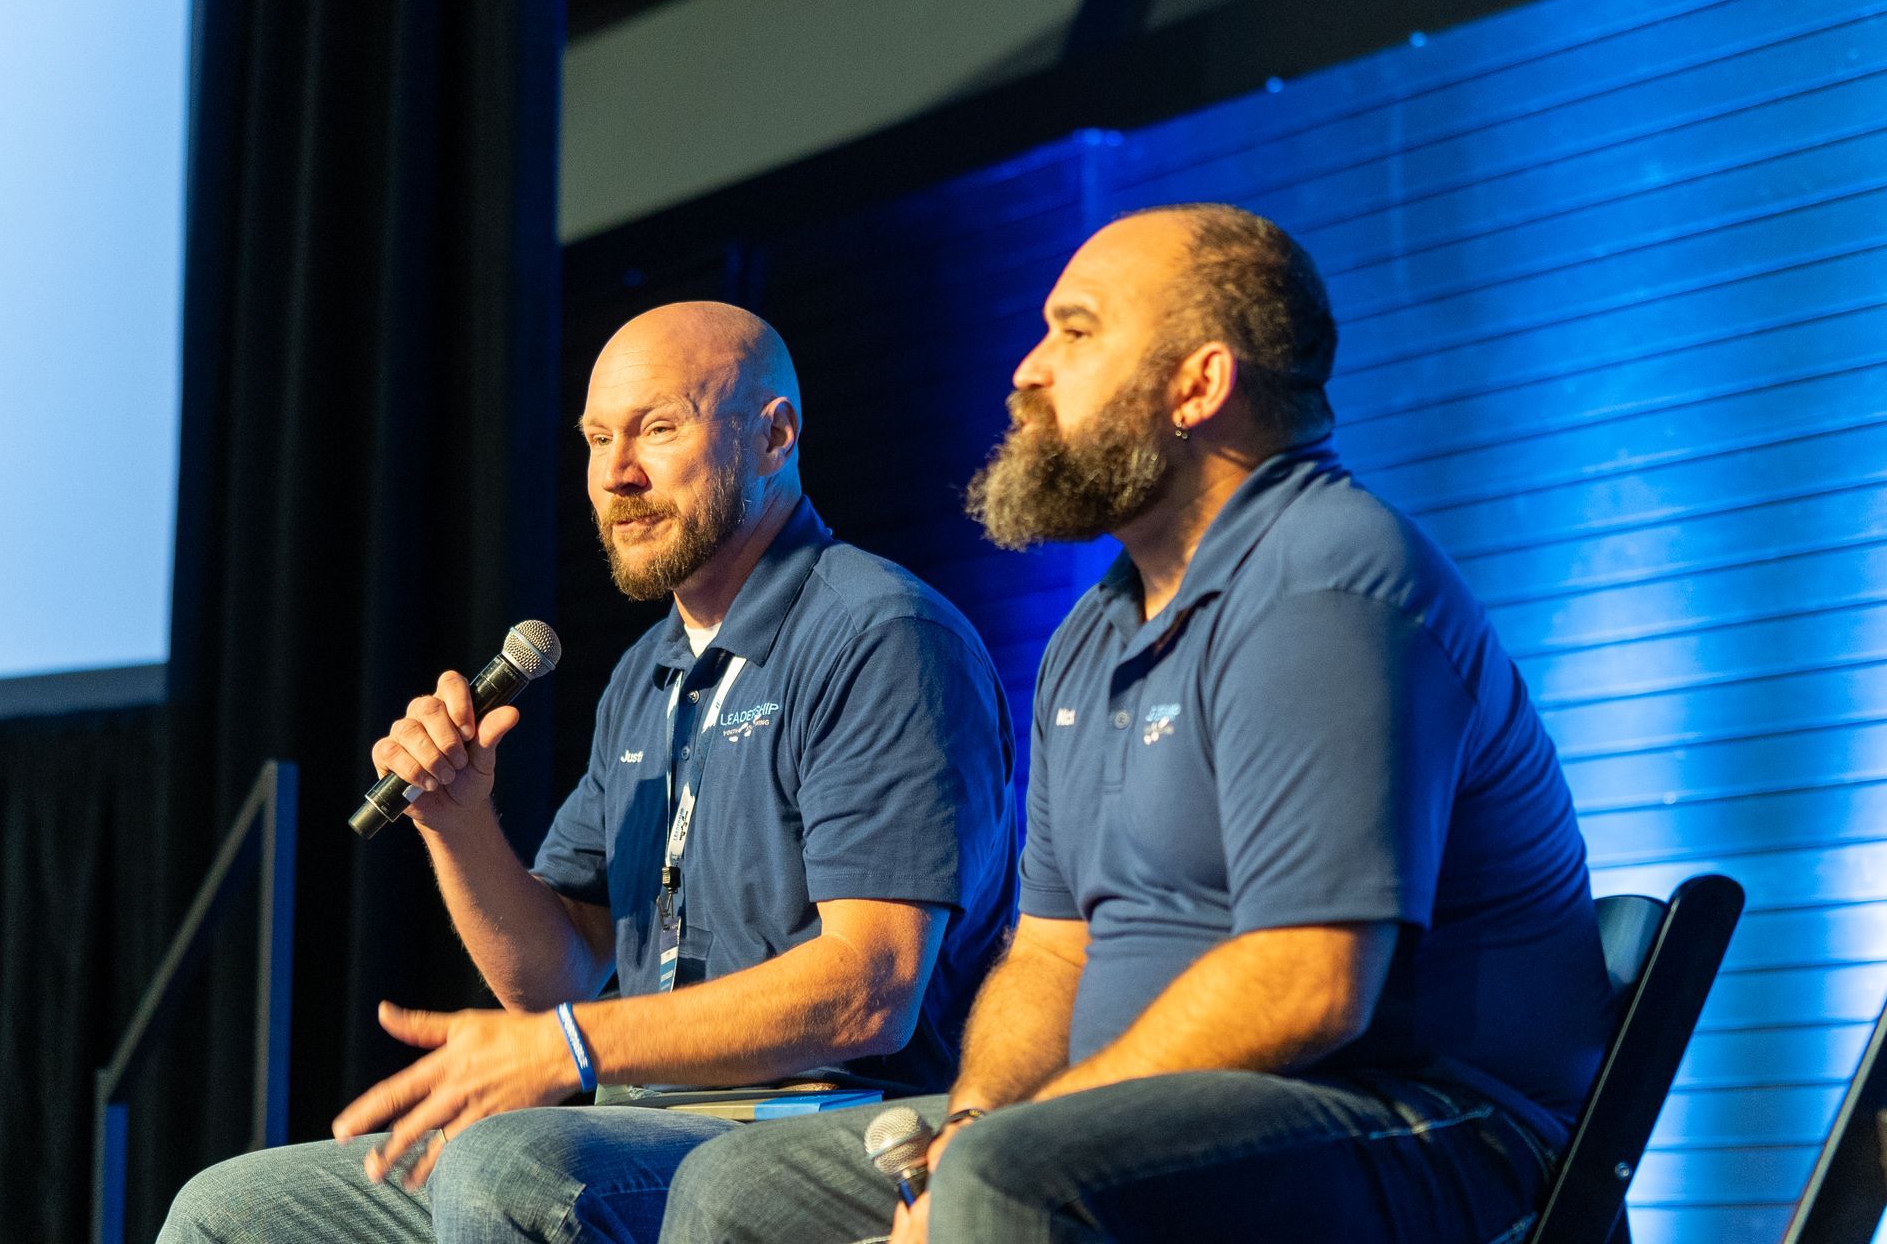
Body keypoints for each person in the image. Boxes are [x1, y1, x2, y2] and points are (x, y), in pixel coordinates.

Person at [657, 205, 1617, 1244]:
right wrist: (975, 1115)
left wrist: (999, 1149)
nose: (1027, 369)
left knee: (1015, 1181)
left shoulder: (1326, 578)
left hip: (1426, 1126)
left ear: (1197, 385)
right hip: (1140, 1119)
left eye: (1075, 331)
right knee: (738, 1189)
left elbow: (1308, 979)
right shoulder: (1093, 631)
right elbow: (1052, 954)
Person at [159, 301, 1018, 1244]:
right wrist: (458, 821)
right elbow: (558, 970)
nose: (617, 474)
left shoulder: (880, 635)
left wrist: (574, 1046)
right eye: (598, 438)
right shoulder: (648, 674)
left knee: (509, 1163)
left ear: (774, 438)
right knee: (227, 1214)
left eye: (658, 428)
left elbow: (872, 988)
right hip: (646, 1120)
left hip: (831, 1122)